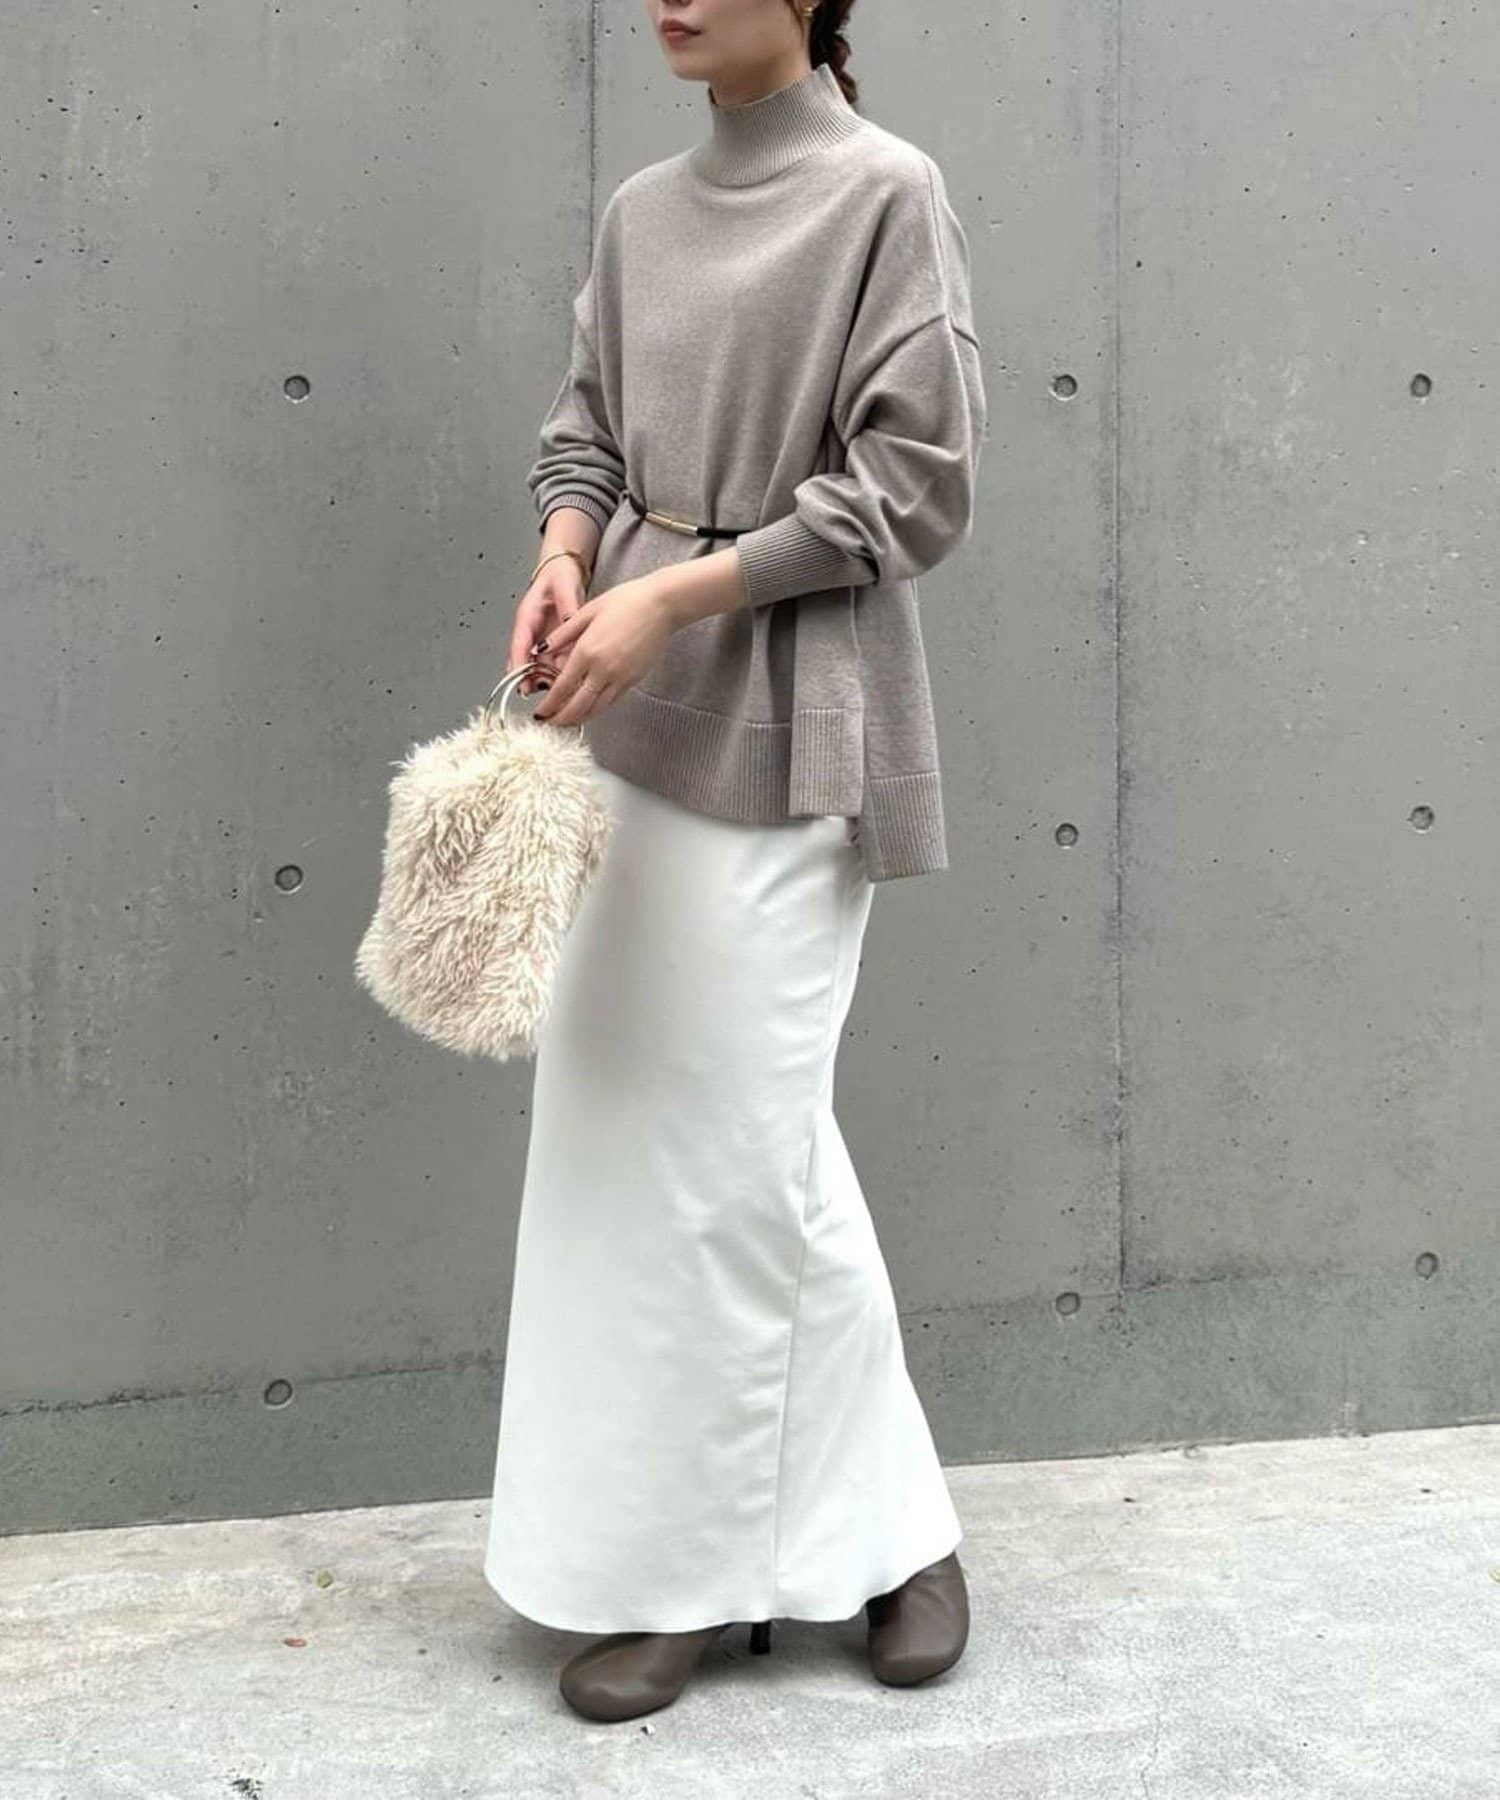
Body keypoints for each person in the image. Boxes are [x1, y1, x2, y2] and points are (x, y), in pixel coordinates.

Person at [483, 0, 988, 1725]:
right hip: (620, 721)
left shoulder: (887, 192)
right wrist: (569, 557)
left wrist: (673, 595)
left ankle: (701, 1584)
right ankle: (896, 1539)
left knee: (739, 1151)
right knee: (656, 1150)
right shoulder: (644, 210)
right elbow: (586, 433)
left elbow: (915, 489)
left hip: (788, 720)